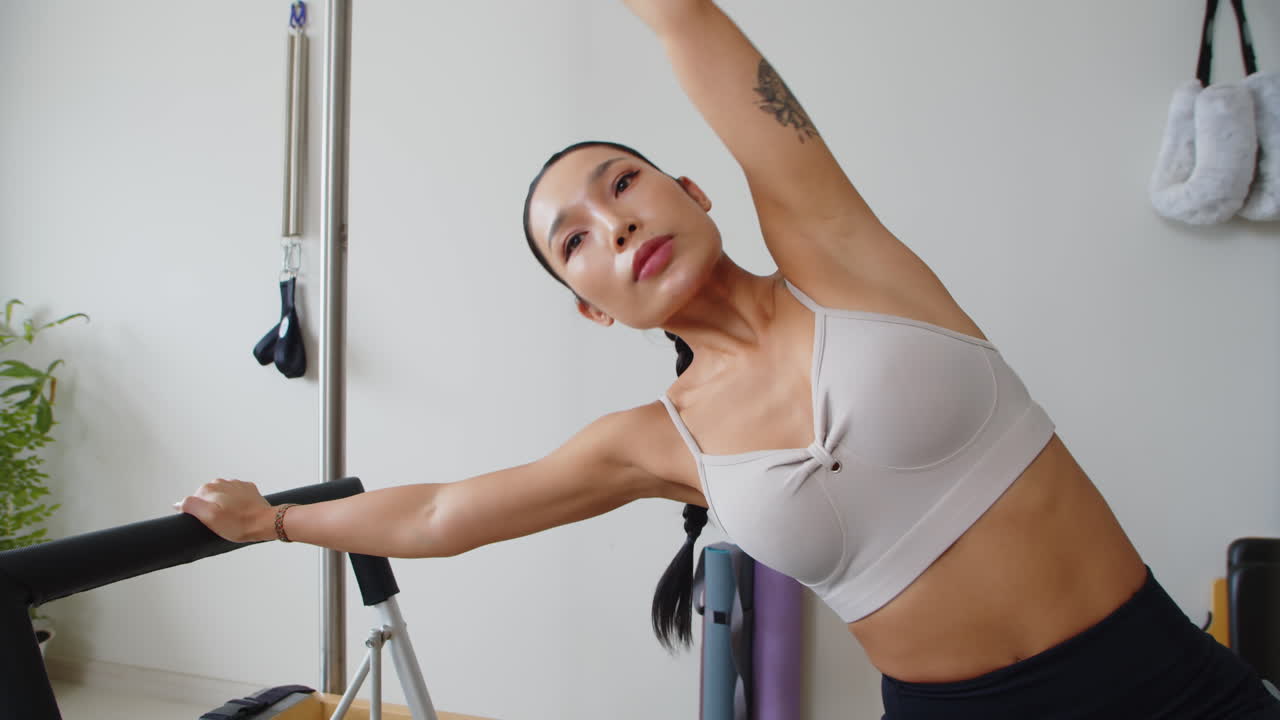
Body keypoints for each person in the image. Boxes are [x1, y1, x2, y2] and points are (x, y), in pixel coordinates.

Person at [176, 2, 1280, 717]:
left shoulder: (843, 261)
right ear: (591, 310)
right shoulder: (657, 443)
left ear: (694, 192)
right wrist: (274, 522)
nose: (612, 222)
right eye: (574, 240)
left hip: (1163, 681)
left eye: (621, 183)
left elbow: (684, 17)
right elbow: (439, 515)